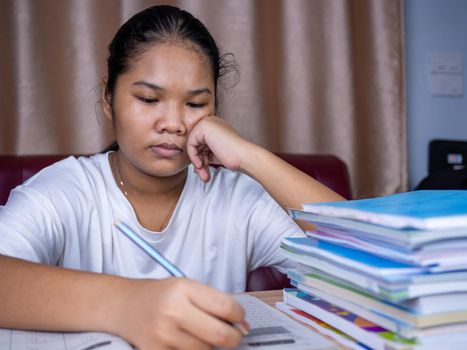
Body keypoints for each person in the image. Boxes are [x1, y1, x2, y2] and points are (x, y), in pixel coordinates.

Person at [0, 5, 343, 350]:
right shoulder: (64, 191)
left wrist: (250, 155)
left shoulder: (239, 199)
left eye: (195, 105)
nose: (174, 124)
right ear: (108, 98)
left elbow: (378, 261)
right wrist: (126, 305)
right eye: (149, 99)